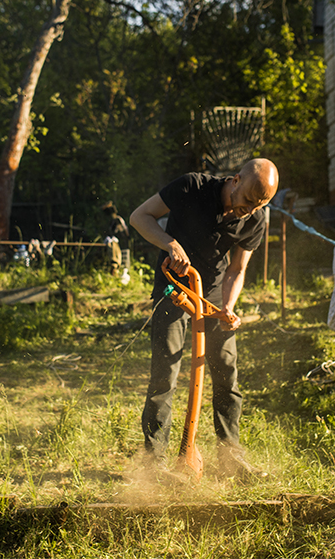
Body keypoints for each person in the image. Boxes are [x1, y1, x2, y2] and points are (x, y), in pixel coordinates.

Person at [129, 158, 279, 479]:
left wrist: (228, 305)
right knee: (165, 372)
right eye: (248, 201)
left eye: (260, 205)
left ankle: (231, 458)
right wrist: (170, 244)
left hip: (211, 298)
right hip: (173, 289)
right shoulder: (192, 187)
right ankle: (154, 463)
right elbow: (139, 216)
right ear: (235, 180)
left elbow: (237, 269)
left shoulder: (256, 218)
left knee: (226, 372)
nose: (250, 210)